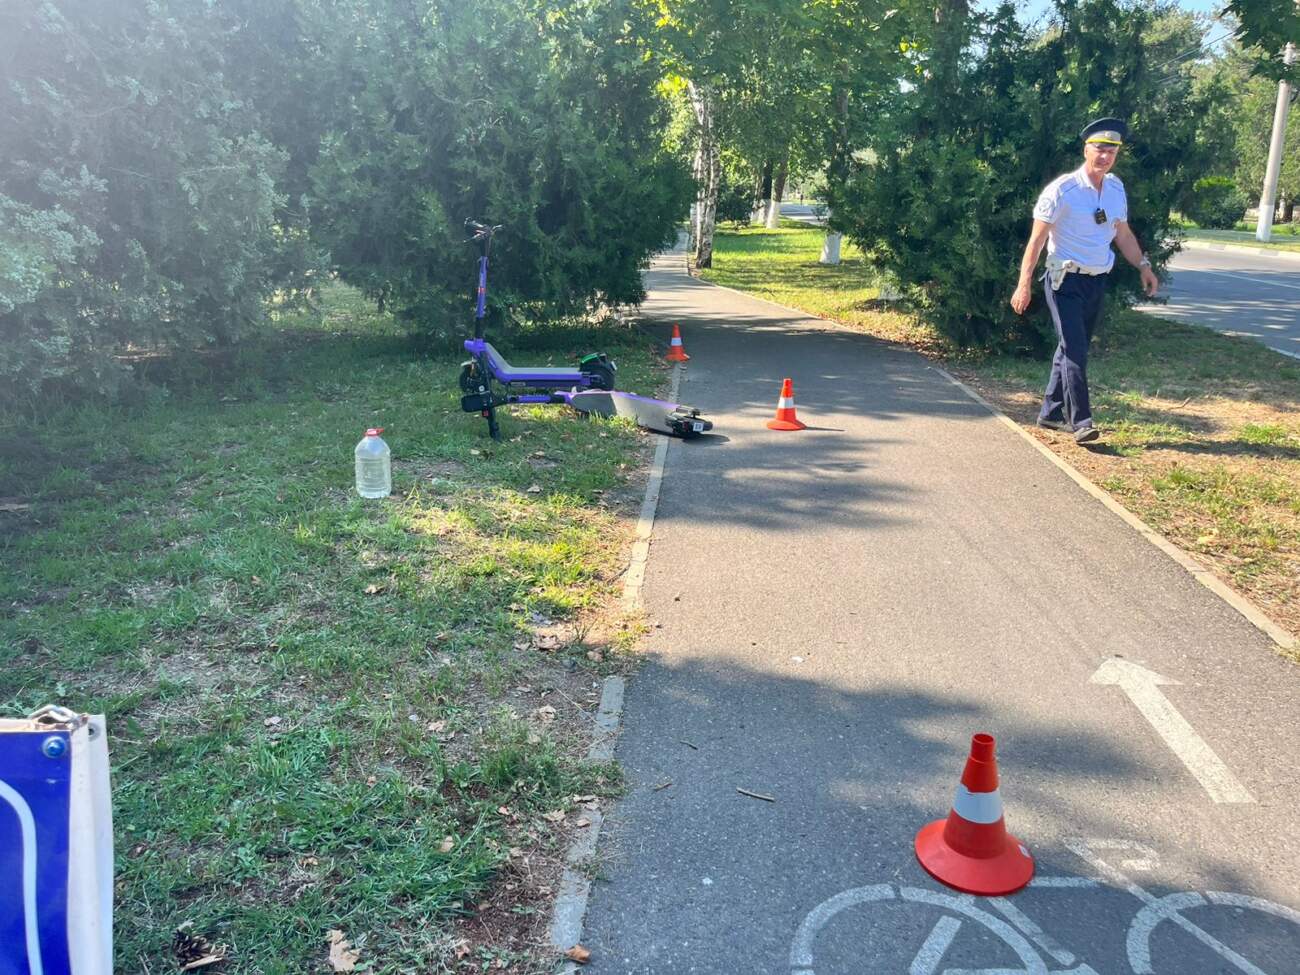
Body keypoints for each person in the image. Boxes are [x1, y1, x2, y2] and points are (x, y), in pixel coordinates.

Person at [1010, 117, 1159, 444]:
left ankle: (1050, 413)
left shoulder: (1116, 188)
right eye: (1100, 149)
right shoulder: (1062, 190)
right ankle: (1081, 422)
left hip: (1096, 281)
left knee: (1071, 347)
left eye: (1112, 151)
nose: (1106, 157)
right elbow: (1035, 242)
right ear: (1086, 149)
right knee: (1076, 350)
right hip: (1064, 281)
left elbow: (1123, 234)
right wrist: (1024, 284)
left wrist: (1143, 266)